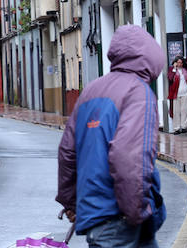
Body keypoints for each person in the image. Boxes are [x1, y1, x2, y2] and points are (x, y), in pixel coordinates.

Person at [56, 25, 166, 248]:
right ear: (152, 57)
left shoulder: (91, 90)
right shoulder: (138, 92)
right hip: (120, 217)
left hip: (99, 216)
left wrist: (71, 203)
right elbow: (129, 156)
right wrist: (135, 211)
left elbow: (67, 152)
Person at [167, 56, 187, 134]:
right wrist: (174, 69)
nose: (180, 64)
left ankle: (184, 127)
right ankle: (176, 128)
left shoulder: (185, 70)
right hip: (175, 94)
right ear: (175, 63)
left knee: (184, 110)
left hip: (185, 93)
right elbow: (170, 78)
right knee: (176, 111)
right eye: (178, 62)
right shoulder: (171, 70)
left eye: (181, 62)